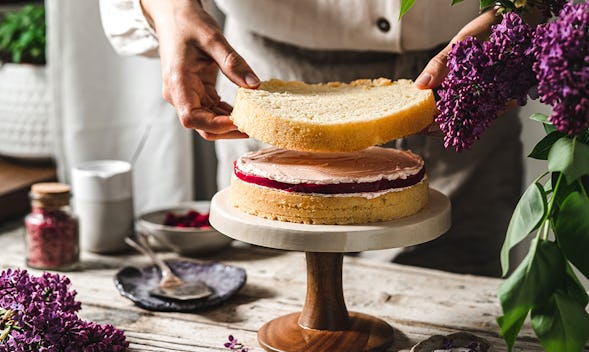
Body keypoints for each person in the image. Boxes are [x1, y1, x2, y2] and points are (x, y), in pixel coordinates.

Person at [99, 0, 524, 277]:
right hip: (265, 85)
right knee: (274, 283)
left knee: (454, 309)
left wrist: (530, 15)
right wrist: (170, 9)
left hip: (460, 79)